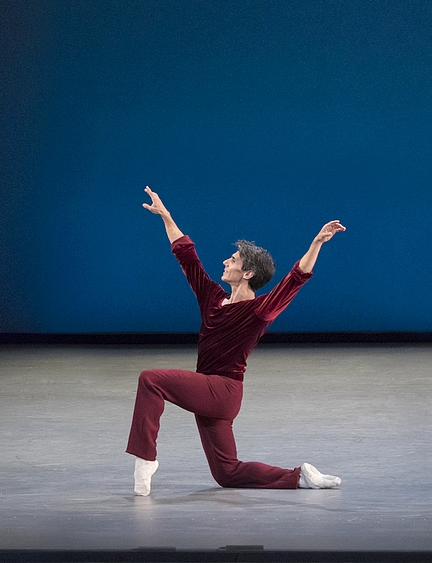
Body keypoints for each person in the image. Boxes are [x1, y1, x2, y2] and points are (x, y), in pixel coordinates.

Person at [127, 186, 345, 496]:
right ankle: (301, 477)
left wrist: (316, 243)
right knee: (227, 473)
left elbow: (294, 280)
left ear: (247, 273)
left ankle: (146, 458)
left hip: (223, 391)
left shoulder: (258, 311)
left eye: (232, 260)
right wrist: (166, 216)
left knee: (151, 380)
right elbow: (188, 257)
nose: (226, 263)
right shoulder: (214, 299)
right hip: (211, 393)